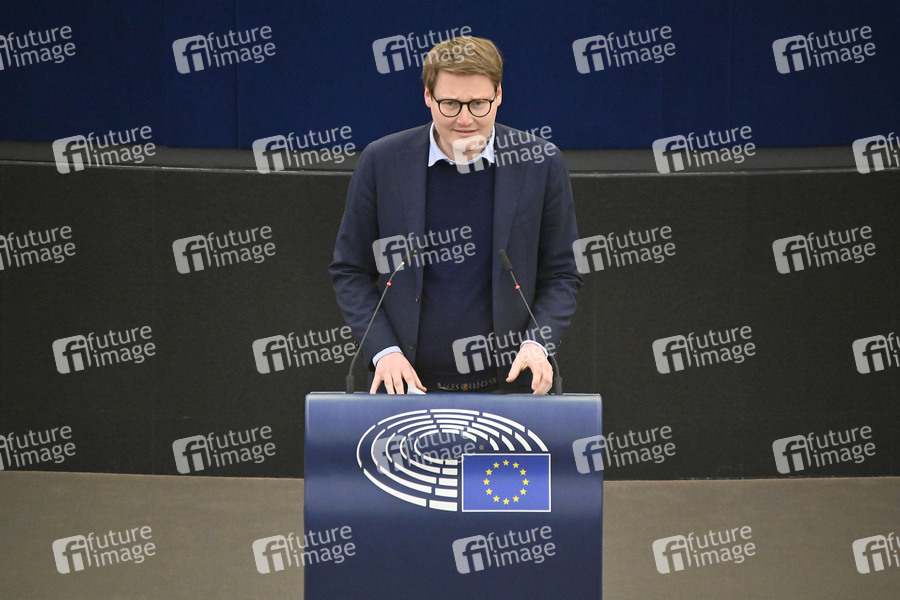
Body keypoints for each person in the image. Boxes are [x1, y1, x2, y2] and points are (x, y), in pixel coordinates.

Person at [329, 36, 582, 395]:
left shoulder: (540, 162)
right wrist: (384, 351)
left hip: (511, 388)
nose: (465, 119)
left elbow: (562, 274)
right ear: (428, 97)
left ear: (499, 95)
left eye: (478, 103)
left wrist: (537, 343)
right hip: (404, 388)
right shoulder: (382, 161)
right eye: (450, 104)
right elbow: (350, 270)